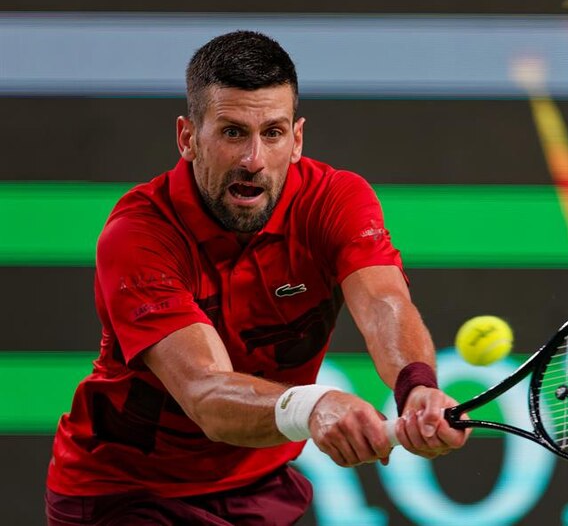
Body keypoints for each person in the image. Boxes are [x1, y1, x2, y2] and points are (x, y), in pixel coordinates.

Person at [45, 30, 468, 525]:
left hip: (258, 486)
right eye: (232, 133)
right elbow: (206, 393)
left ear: (297, 139)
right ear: (187, 138)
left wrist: (416, 387)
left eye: (272, 132)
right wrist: (314, 405)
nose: (253, 160)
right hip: (128, 492)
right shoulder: (139, 235)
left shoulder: (335, 200)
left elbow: (383, 303)